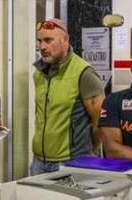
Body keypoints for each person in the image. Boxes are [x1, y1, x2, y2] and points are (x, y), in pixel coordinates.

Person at [31, 18, 104, 175]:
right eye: (40, 41)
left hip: (72, 162)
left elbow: (100, 120)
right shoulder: (39, 74)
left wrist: (91, 154)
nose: (42, 47)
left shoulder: (84, 73)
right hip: (39, 162)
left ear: (65, 40)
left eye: (48, 40)